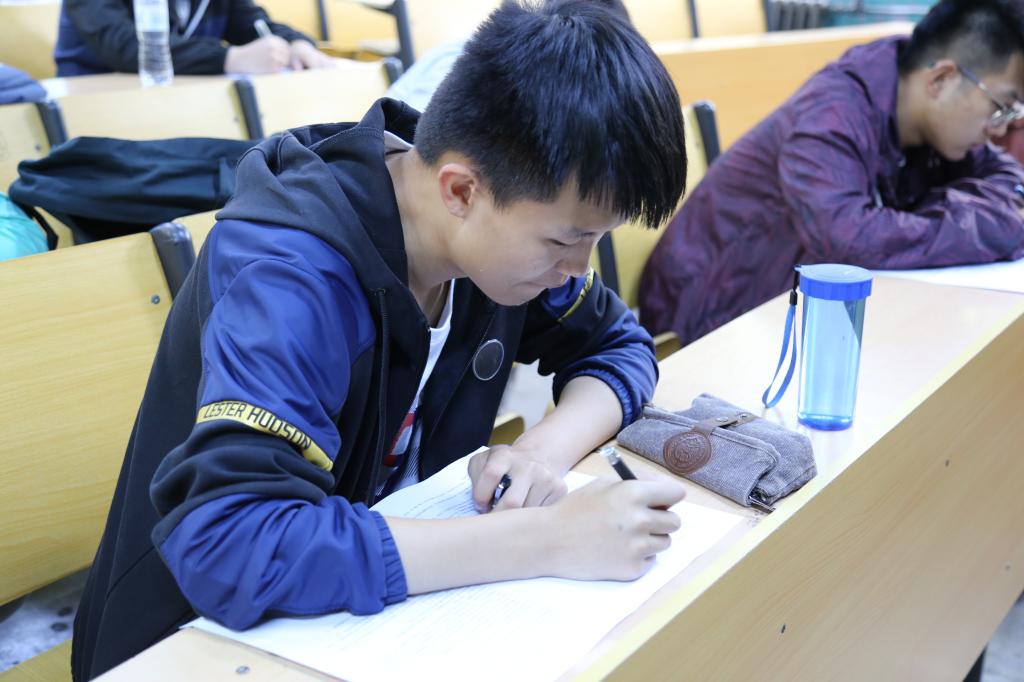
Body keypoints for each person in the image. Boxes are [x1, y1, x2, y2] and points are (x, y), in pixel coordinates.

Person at [70, 1, 688, 678]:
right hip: (192, 646)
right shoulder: (293, 274)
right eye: (567, 240)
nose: (577, 268)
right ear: (461, 191)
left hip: (378, 621)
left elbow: (618, 346)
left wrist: (541, 453)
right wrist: (544, 539)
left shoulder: (493, 235)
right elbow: (233, 545)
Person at [640, 0, 1024, 347]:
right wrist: (987, 225)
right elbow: (847, 242)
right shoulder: (833, 115)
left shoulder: (928, 119)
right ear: (941, 80)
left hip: (788, 311)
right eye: (1002, 106)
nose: (1004, 127)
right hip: (708, 318)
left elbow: (1010, 181)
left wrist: (977, 217)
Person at [55, 0, 335, 78]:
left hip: (181, 103)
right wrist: (229, 58)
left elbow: (253, 24)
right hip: (97, 109)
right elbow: (124, 47)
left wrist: (296, 43)